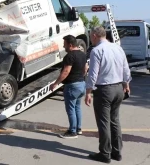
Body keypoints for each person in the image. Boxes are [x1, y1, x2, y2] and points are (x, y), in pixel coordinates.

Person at [85, 26, 131, 163]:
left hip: (104, 90)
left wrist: (88, 92)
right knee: (115, 121)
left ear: (94, 35)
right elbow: (126, 69)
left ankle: (105, 153)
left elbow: (93, 75)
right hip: (118, 88)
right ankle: (117, 152)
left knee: (104, 123)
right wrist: (126, 84)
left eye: (91, 36)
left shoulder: (96, 51)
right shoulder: (118, 48)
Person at [50, 35, 88, 139]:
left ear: (70, 45)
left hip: (72, 86)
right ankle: (78, 129)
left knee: (71, 109)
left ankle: (72, 131)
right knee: (77, 107)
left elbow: (66, 71)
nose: (63, 46)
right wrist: (80, 77)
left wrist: (56, 83)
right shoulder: (83, 55)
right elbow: (85, 69)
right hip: (81, 84)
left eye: (65, 44)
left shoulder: (69, 56)